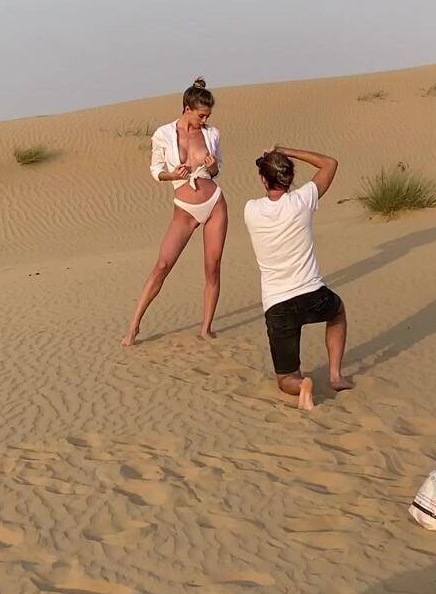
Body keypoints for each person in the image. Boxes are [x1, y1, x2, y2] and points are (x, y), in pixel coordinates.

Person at [243, 145, 352, 410]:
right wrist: (286, 151)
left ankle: (302, 385)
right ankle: (335, 375)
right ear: (289, 177)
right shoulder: (302, 200)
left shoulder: (251, 210)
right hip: (313, 295)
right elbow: (329, 162)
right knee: (337, 312)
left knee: (286, 378)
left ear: (263, 180)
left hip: (278, 304)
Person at [121, 78, 227, 346]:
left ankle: (206, 328)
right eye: (201, 115)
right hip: (185, 208)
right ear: (187, 108)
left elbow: (217, 169)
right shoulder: (163, 134)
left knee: (212, 268)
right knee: (163, 265)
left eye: (208, 116)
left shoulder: (212, 134)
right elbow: (156, 170)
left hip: (214, 203)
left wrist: (212, 167)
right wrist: (173, 175)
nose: (205, 120)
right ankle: (133, 327)